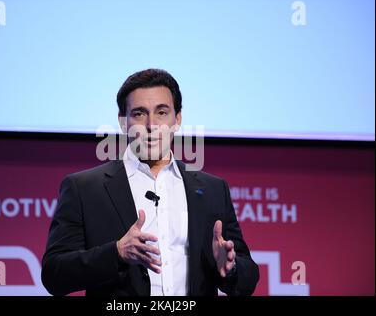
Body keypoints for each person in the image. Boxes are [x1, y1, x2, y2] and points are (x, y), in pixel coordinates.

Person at [41, 69, 259, 296]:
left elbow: (248, 277)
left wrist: (230, 268)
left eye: (162, 112)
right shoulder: (84, 188)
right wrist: (116, 253)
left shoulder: (213, 189)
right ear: (123, 122)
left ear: (178, 119)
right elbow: (54, 275)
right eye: (139, 114)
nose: (151, 125)